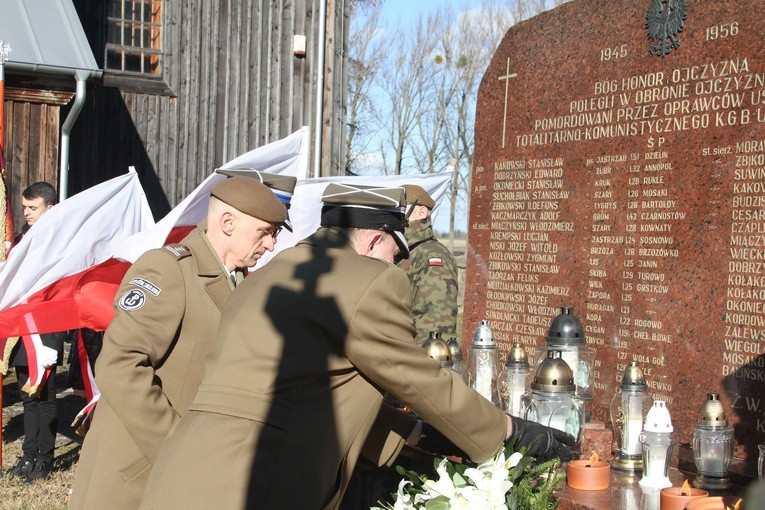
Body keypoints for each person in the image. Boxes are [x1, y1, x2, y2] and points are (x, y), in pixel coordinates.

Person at [139, 183, 574, 510]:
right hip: (257, 484)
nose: (395, 267)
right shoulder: (366, 279)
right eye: (394, 254)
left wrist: (420, 435)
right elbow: (422, 381)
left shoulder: (270, 275)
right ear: (372, 241)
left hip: (181, 475)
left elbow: (308, 393)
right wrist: (507, 432)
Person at [69, 174, 293, 510]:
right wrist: (178, 450)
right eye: (266, 233)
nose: (272, 245)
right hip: (142, 475)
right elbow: (120, 366)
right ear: (228, 223)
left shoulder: (239, 282)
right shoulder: (168, 269)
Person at [4, 182, 67, 483]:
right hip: (22, 329)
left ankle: (44, 458)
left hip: (46, 326)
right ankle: (29, 455)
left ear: (50, 208)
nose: (26, 213)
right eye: (25, 207)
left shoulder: (60, 241)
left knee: (45, 396)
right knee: (28, 396)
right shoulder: (21, 239)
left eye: (33, 208)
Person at [396, 184, 459, 343]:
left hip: (412, 361)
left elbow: (435, 327)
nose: (397, 214)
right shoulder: (404, 252)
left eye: (403, 208)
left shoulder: (432, 257)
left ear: (422, 212)